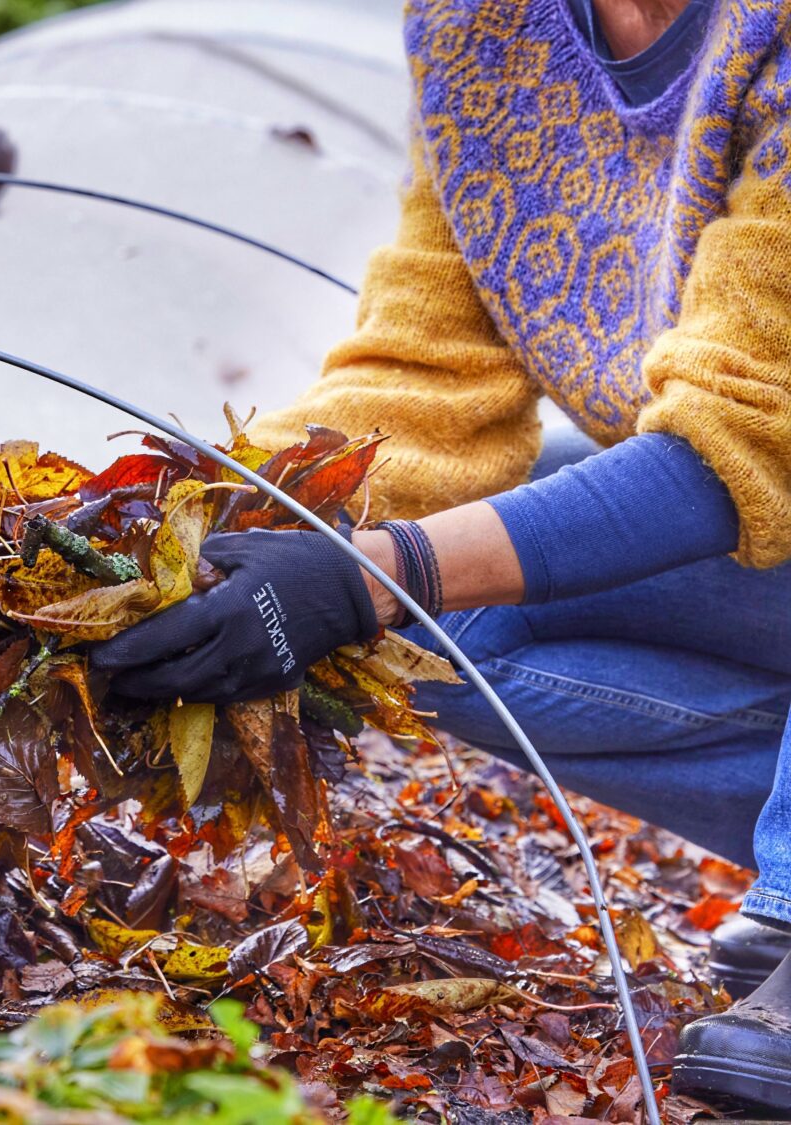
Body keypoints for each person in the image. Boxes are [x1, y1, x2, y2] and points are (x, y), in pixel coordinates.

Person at [87, 0, 791, 1108]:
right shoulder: (485, 29)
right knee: (434, 631)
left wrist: (367, 575)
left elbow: (753, 437)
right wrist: (197, 523)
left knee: (406, 580)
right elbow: (424, 372)